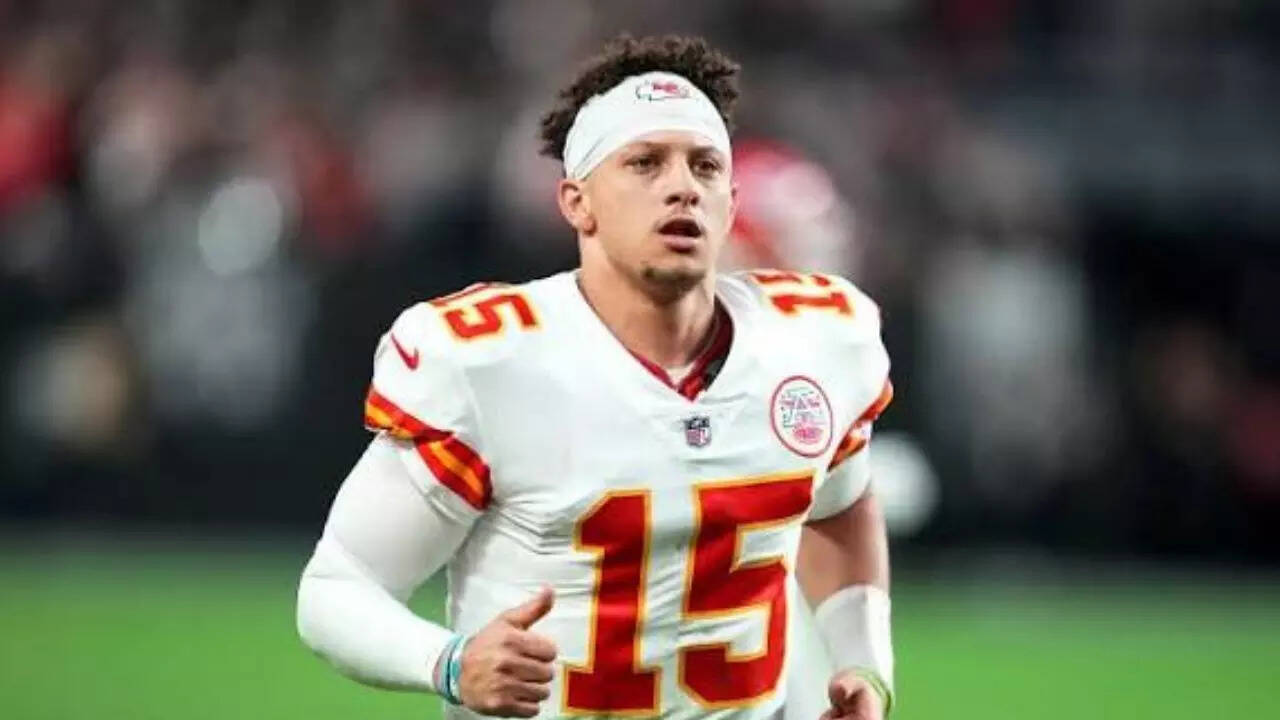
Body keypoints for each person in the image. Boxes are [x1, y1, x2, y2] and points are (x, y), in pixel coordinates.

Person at [296, 34, 896, 720]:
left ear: (729, 204)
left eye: (704, 166)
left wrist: (862, 662)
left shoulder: (814, 340)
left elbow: (841, 507)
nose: (682, 186)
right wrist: (450, 663)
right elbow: (337, 588)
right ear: (577, 202)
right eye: (645, 162)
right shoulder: (492, 363)